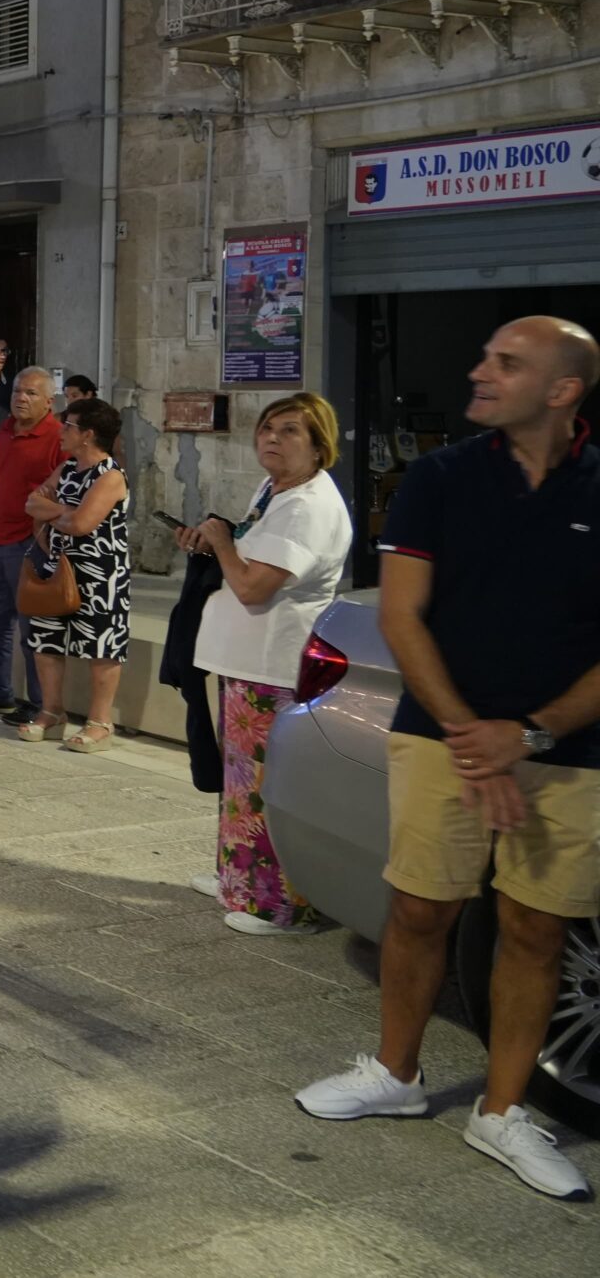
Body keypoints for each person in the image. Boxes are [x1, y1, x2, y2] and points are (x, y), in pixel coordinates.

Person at [292, 318, 600, 1202]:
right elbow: (400, 616)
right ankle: (396, 1072)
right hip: (443, 738)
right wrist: (477, 735)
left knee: (539, 928)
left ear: (563, 389)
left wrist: (529, 733)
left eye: (507, 362)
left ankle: (501, 1112)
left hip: (570, 749)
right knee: (422, 909)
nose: (479, 370)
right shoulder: (438, 478)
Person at [180, 392, 354, 935]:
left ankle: (281, 905)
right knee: (240, 781)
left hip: (276, 664)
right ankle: (239, 878)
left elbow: (254, 585)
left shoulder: (308, 505)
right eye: (268, 429)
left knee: (267, 786)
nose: (273, 440)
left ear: (319, 446)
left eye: (290, 432)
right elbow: (250, 558)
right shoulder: (277, 488)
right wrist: (213, 544)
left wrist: (223, 543)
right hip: (248, 660)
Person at [18, 397, 132, 752]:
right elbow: (32, 502)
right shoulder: (68, 468)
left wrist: (57, 513)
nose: (61, 431)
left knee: (101, 645)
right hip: (58, 566)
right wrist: (63, 511)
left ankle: (100, 722)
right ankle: (52, 711)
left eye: (68, 425)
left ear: (88, 435)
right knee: (46, 639)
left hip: (100, 573)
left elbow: (83, 523)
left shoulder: (111, 475)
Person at [0, 368, 65, 716]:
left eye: (32, 393)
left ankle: (39, 704)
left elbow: (61, 494)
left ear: (49, 401)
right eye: (19, 391)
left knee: (32, 628)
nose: (21, 397)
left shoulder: (57, 438)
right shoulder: (3, 430)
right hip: (0, 540)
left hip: (30, 544)